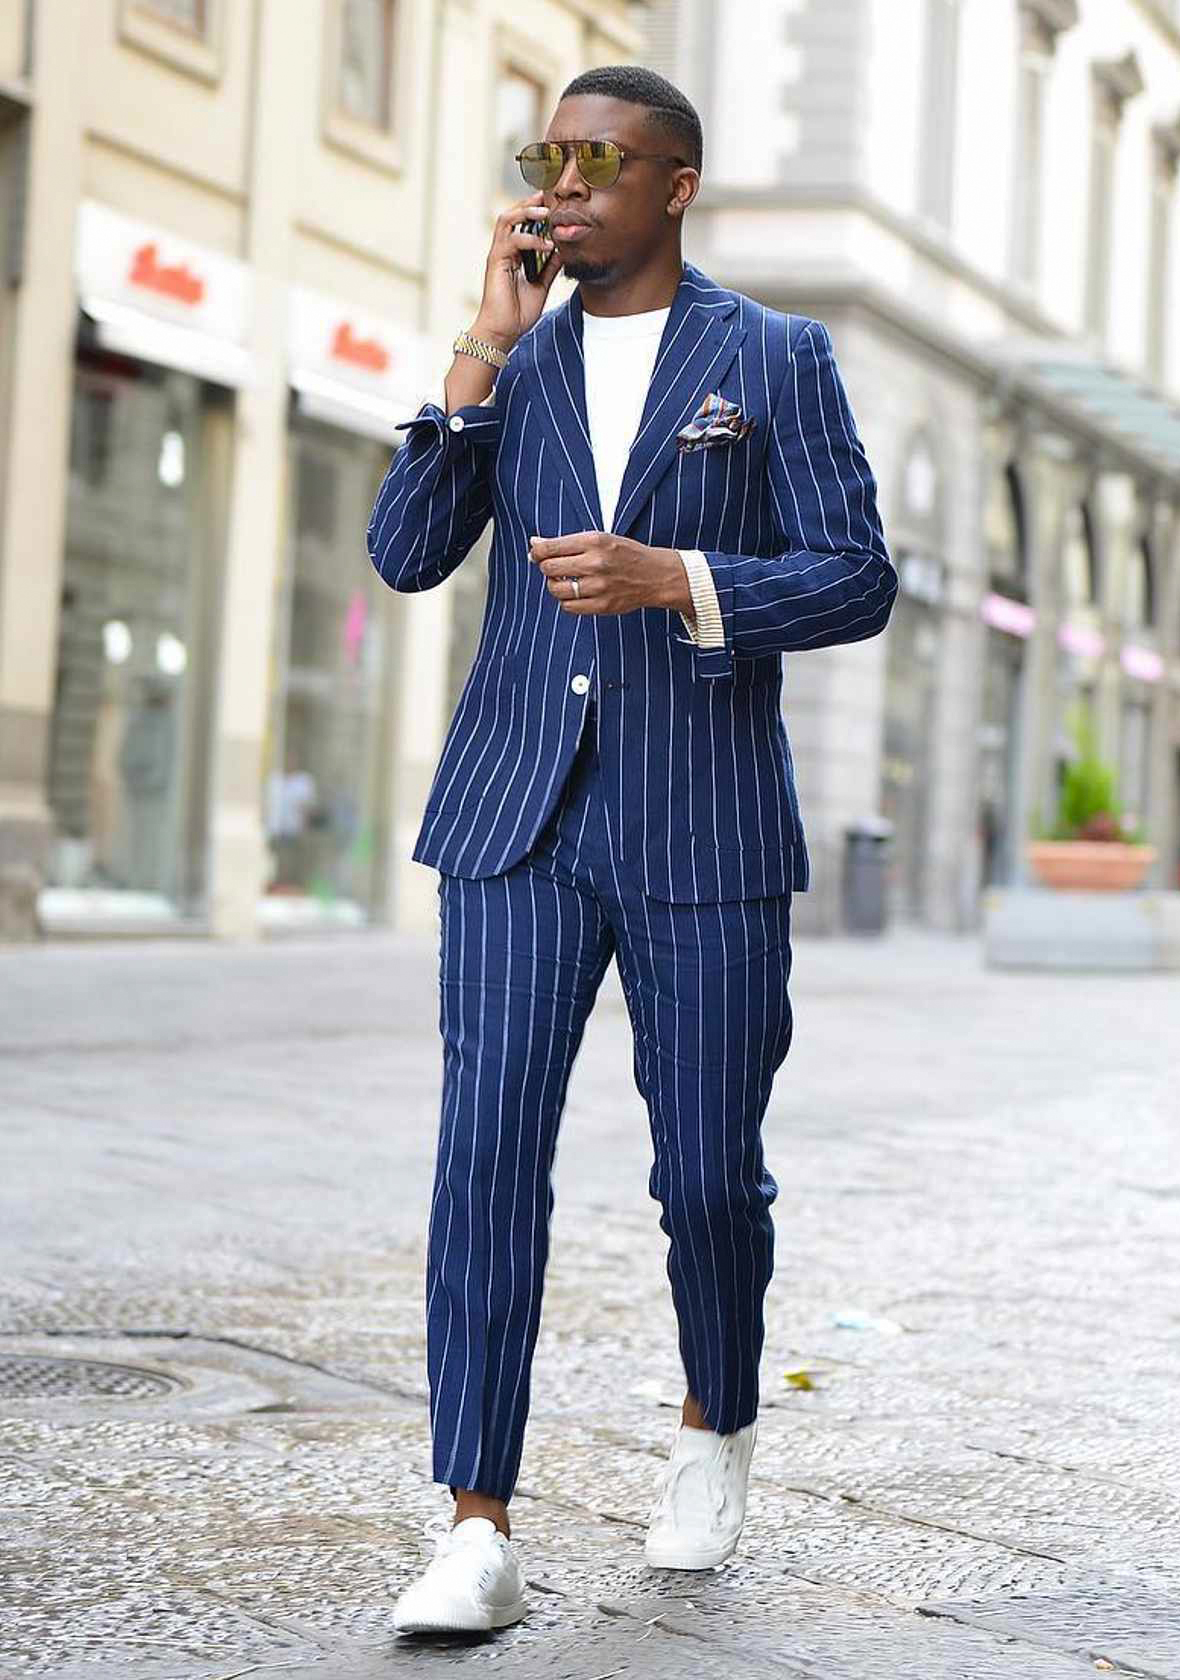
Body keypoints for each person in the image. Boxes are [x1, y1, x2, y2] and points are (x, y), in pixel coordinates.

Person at [368, 63, 896, 1636]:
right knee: (484, 1158)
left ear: (677, 185)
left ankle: (714, 1415)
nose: (567, 182)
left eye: (602, 158)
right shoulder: (516, 366)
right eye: (549, 155)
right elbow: (406, 553)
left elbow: (858, 576)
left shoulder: (773, 356)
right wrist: (479, 338)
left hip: (706, 826)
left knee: (709, 1173)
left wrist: (682, 578)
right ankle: (474, 1521)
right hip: (518, 816)